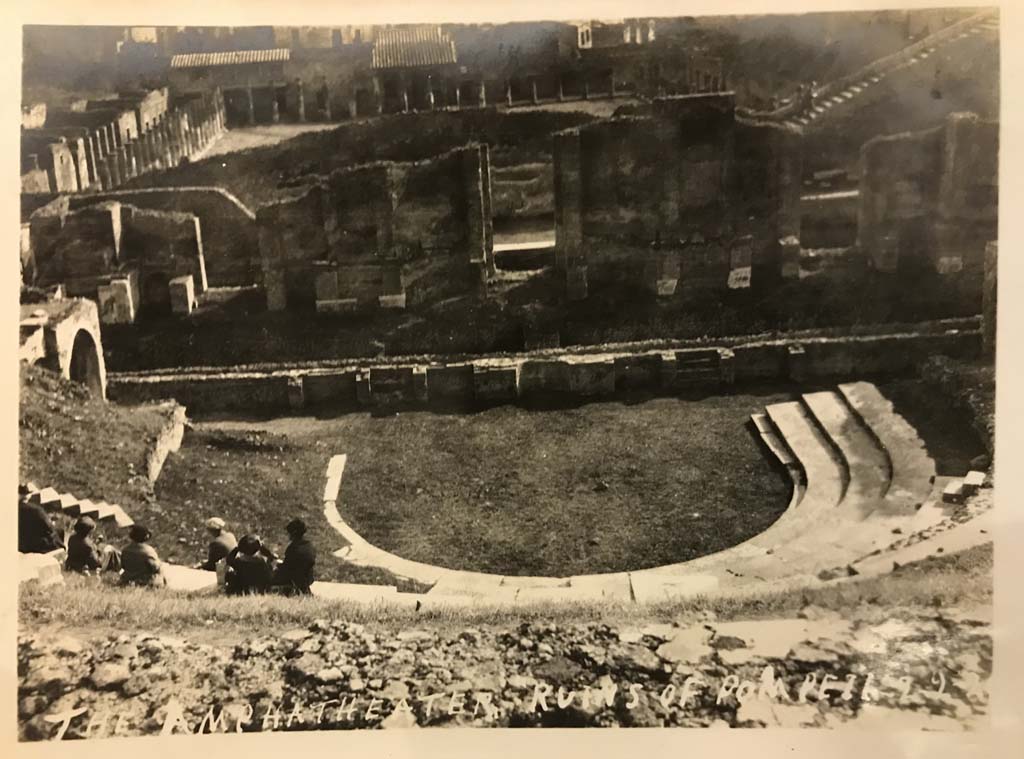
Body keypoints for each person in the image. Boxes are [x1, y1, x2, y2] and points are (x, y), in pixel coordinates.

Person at [273, 518, 316, 596]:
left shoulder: (293, 548)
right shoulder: (309, 546)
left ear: (293, 533)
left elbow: (286, 568)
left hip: (294, 579)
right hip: (308, 578)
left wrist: (277, 565)